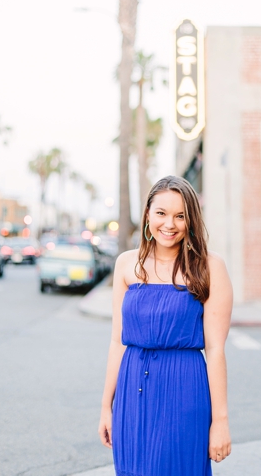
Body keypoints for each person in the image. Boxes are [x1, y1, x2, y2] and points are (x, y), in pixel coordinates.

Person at [97, 175, 232, 475]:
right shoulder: (126, 265)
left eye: (180, 216)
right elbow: (117, 342)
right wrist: (107, 407)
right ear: (147, 214)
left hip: (185, 389)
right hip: (132, 391)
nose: (169, 224)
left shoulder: (210, 267)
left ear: (191, 220)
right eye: (161, 213)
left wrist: (220, 421)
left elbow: (215, 349)